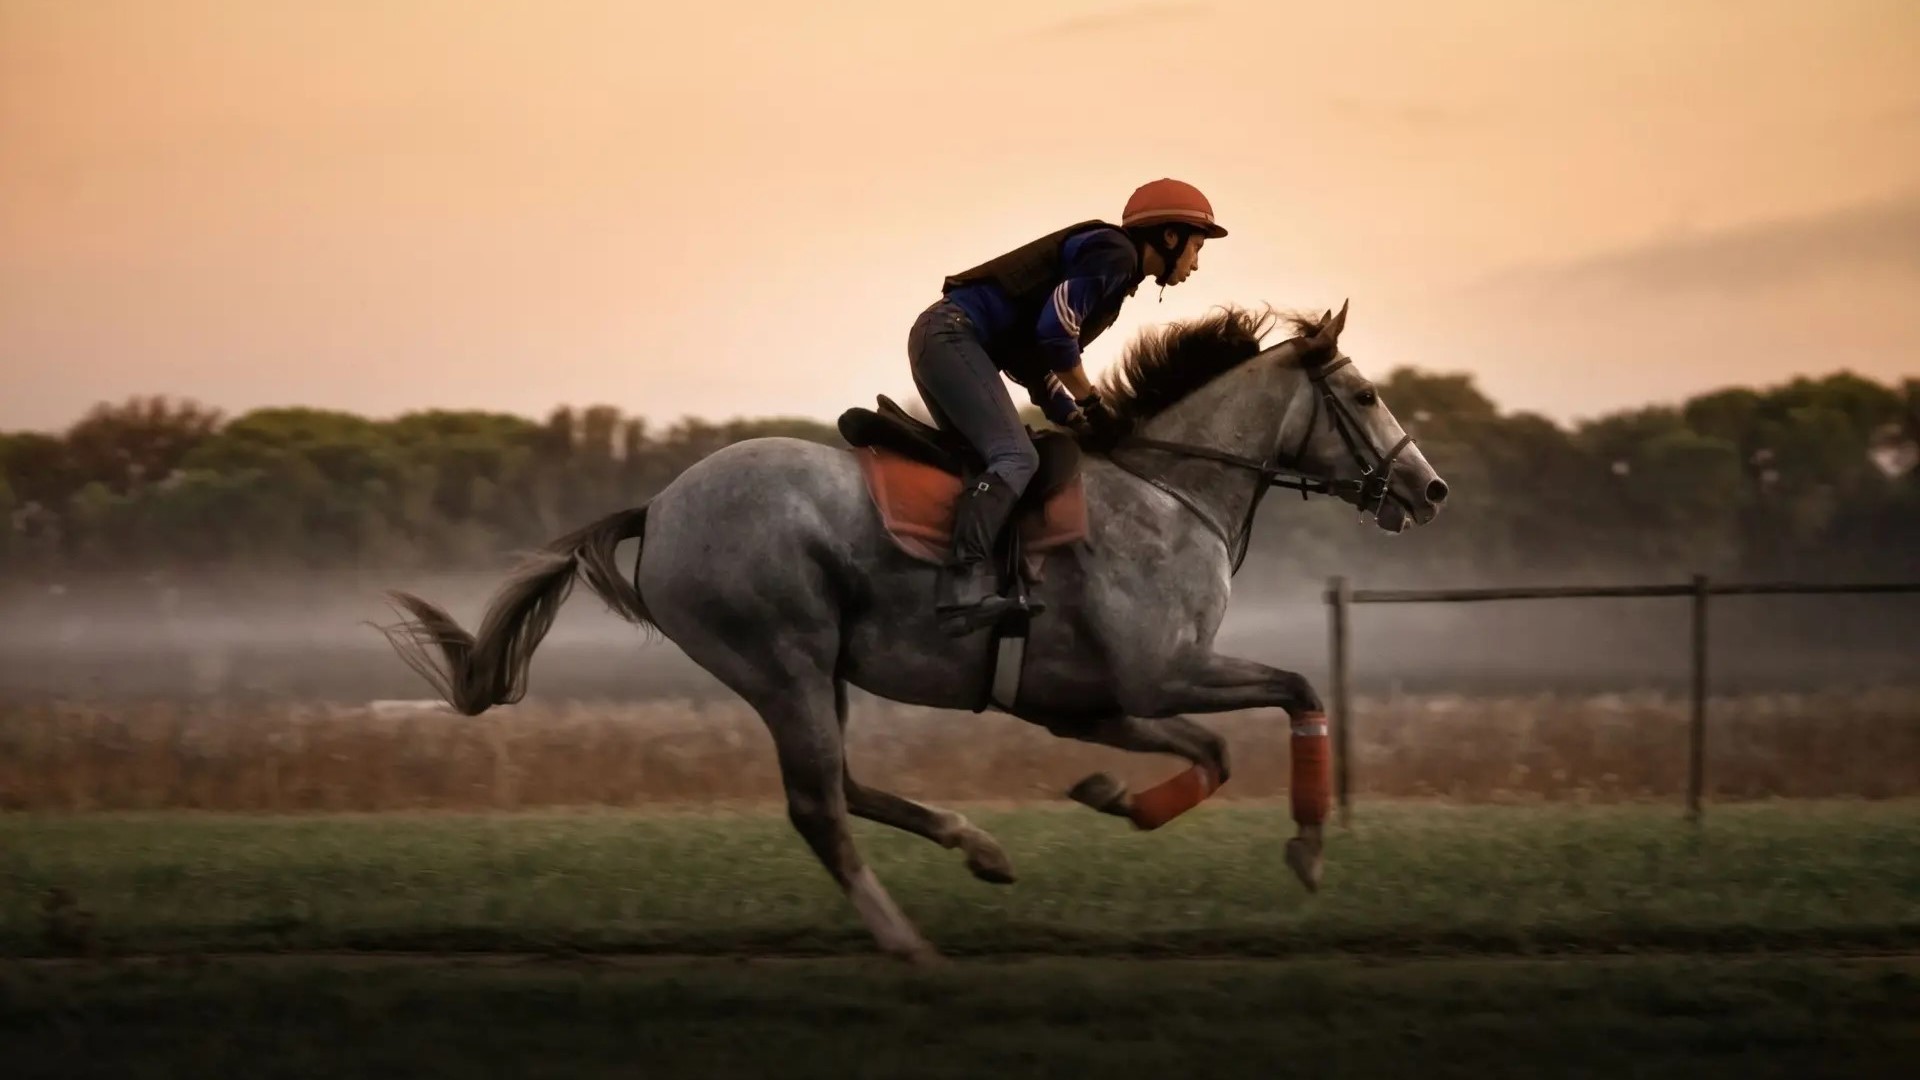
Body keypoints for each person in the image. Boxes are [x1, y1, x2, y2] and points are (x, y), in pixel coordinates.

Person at [908, 178, 1228, 635]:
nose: (1196, 264)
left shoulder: (1114, 270)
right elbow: (1056, 332)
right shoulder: (1115, 255)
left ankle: (967, 577)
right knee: (1016, 457)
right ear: (1170, 237)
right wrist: (1092, 401)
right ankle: (961, 589)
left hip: (945, 338)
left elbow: (1036, 367)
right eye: (1197, 246)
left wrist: (1074, 416)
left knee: (998, 462)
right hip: (952, 336)